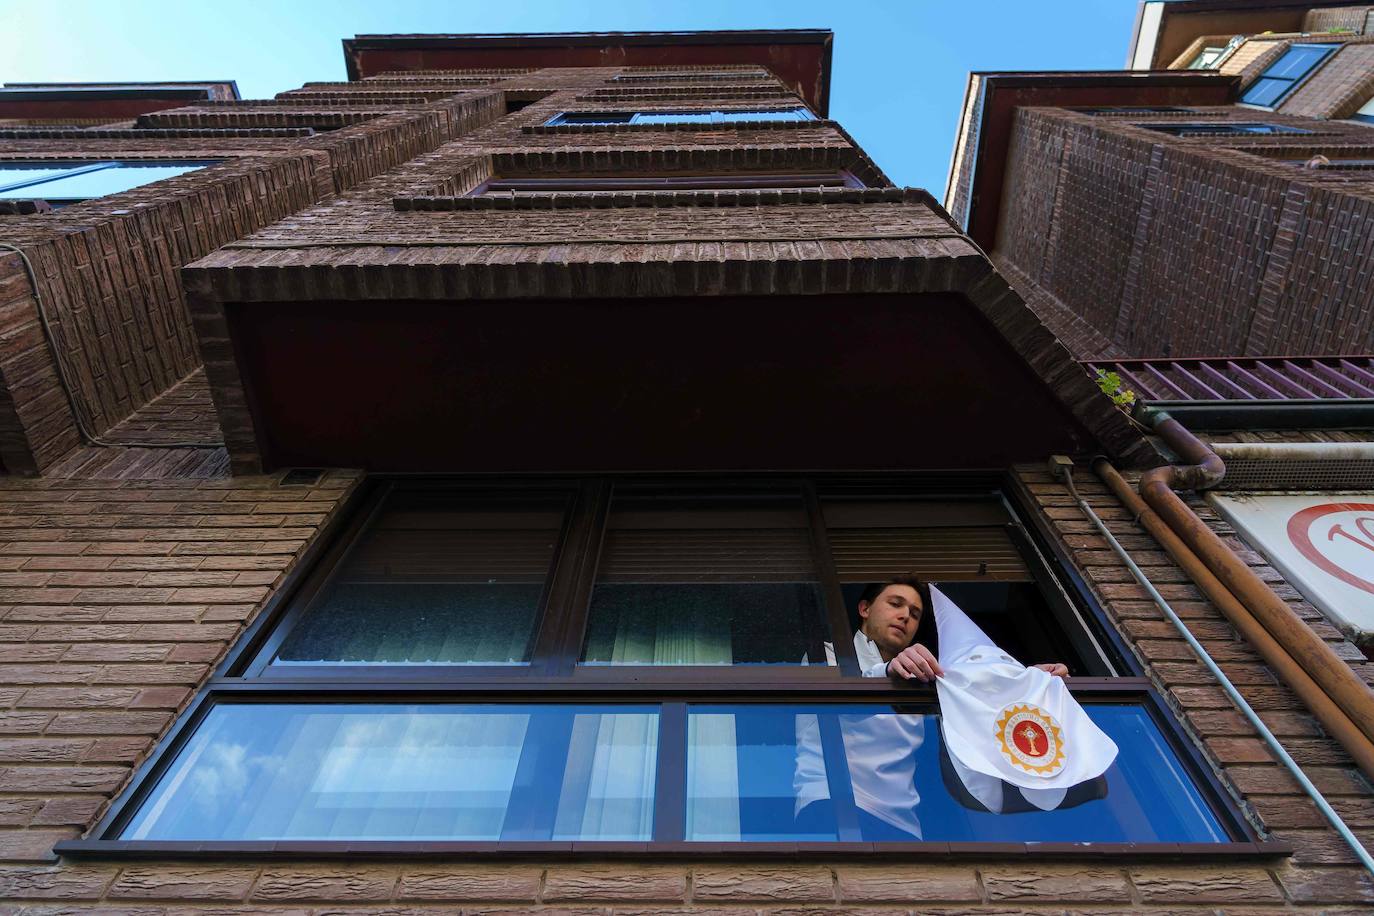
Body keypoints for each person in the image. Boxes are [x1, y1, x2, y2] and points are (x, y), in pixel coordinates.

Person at [793, 574, 1068, 840]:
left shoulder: (926, 677)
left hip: (903, 822)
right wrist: (888, 671)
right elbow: (841, 703)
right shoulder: (824, 655)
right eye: (895, 604)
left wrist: (1032, 681)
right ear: (864, 608)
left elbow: (979, 697)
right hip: (829, 804)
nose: (905, 616)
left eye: (915, 613)